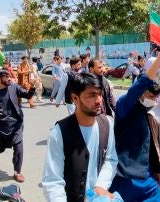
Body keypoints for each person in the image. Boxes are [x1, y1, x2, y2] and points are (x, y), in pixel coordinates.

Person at [109, 34, 160, 201]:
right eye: (150, 95)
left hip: (149, 180)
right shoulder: (124, 106)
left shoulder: (151, 111)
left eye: (156, 97)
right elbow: (142, 82)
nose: (153, 99)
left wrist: (159, 173)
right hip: (126, 179)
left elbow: (152, 147)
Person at [42, 73, 119, 201]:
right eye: (92, 95)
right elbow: (53, 181)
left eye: (99, 94)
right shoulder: (59, 133)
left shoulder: (107, 124)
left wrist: (101, 185)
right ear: (75, 98)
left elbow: (111, 160)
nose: (99, 100)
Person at [0, 69, 36, 183]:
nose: (10, 78)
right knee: (0, 148)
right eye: (6, 76)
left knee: (18, 148)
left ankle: (17, 172)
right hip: (0, 125)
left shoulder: (14, 87)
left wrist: (32, 87)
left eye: (10, 76)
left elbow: (27, 95)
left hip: (16, 123)